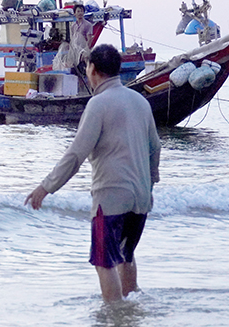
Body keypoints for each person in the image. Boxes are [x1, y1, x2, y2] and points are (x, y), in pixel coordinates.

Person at [24, 44, 161, 303]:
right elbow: (155, 148)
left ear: (93, 70)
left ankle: (114, 320)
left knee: (105, 262)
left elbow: (76, 154)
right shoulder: (141, 102)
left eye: (87, 67)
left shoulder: (98, 104)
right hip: (140, 199)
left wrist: (46, 187)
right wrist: (150, 186)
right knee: (126, 255)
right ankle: (131, 309)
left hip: (110, 199)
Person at [52, 3, 94, 72]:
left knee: (86, 65)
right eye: (78, 11)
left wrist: (85, 51)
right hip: (75, 50)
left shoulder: (88, 25)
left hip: (83, 50)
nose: (80, 13)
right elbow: (72, 39)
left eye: (82, 11)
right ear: (74, 13)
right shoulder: (73, 26)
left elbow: (89, 40)